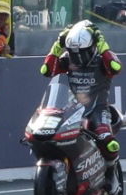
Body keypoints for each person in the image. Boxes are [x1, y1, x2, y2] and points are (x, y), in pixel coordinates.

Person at [40, 20, 121, 161]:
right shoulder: (68, 59)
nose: (77, 58)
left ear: (93, 46)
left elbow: (116, 68)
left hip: (97, 110)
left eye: (82, 53)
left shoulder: (103, 59)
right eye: (73, 53)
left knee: (109, 143)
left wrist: (101, 43)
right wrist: (58, 44)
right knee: (50, 138)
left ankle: (111, 177)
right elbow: (46, 70)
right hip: (72, 110)